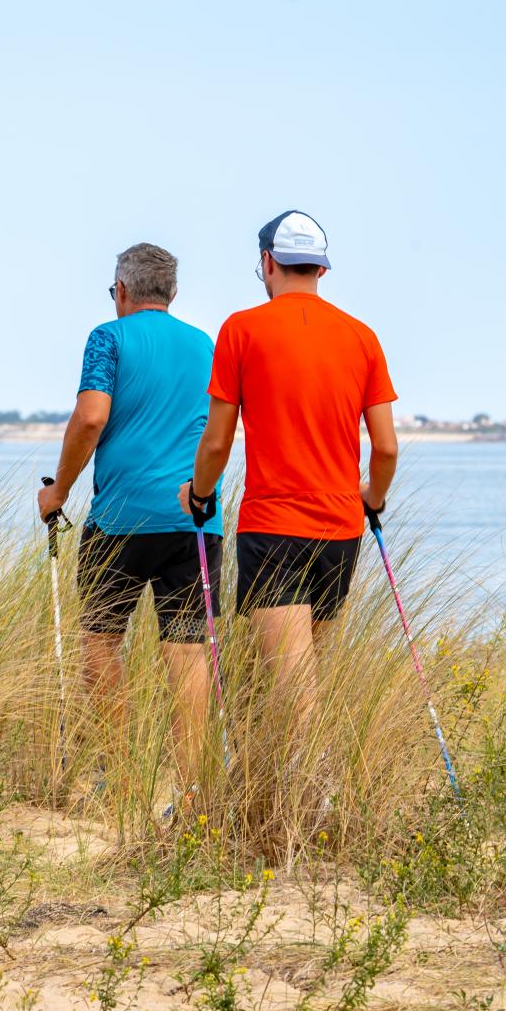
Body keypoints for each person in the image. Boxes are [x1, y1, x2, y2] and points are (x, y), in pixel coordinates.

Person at [181, 210, 399, 737]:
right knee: (310, 676)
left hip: (273, 526)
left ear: (267, 263)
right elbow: (387, 448)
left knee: (290, 681)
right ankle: (298, 796)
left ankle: (307, 799)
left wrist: (200, 493)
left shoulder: (241, 329)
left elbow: (216, 440)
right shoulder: (362, 337)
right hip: (341, 528)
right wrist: (372, 496)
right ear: (321, 270)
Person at [36, 242, 222, 801]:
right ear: (173, 293)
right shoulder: (205, 344)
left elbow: (91, 416)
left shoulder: (107, 338)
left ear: (120, 290)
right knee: (188, 653)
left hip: (118, 519)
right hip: (194, 521)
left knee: (101, 643)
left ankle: (116, 780)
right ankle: (193, 787)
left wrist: (59, 492)